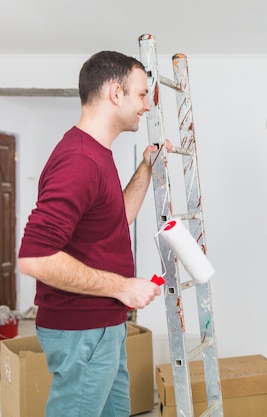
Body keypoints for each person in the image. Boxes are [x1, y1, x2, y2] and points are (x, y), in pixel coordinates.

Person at [18, 50, 165, 417]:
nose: (146, 105)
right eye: (142, 94)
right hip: (83, 329)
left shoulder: (97, 153)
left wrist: (146, 167)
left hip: (103, 325)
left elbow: (115, 219)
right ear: (116, 94)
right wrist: (123, 286)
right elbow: (35, 257)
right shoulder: (80, 160)